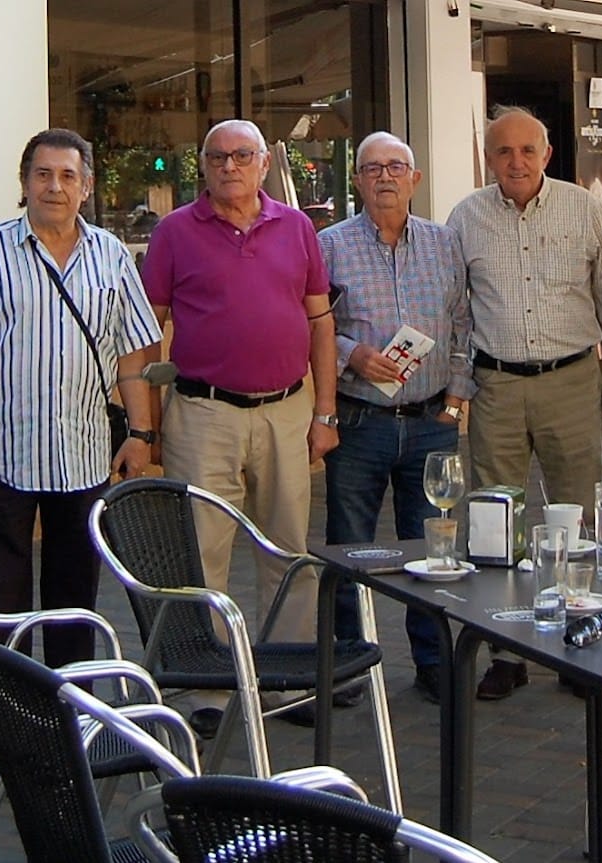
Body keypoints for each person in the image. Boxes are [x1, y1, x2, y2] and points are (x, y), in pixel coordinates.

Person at [0, 129, 159, 687]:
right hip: (2, 457)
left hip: (82, 460)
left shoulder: (110, 256)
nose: (54, 187)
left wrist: (141, 433)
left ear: (86, 187)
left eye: (67, 176)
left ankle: (71, 717)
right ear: (24, 182)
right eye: (42, 174)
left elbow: (135, 352)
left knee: (73, 605)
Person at [141, 119, 338, 737]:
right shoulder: (174, 232)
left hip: (286, 409)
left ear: (262, 163)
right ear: (203, 165)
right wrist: (146, 424)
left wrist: (324, 412)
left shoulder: (298, 227)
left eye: (243, 155)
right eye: (218, 156)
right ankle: (206, 688)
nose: (230, 166)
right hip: (204, 412)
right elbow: (153, 327)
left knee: (287, 549)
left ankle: (288, 679)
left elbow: (321, 324)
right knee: (203, 556)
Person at [446, 106, 602, 701]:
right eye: (502, 152)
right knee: (496, 520)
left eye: (527, 150)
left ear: (546, 154)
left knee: (577, 517)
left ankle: (581, 644)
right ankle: (506, 651)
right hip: (496, 387)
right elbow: (457, 312)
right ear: (486, 159)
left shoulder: (585, 209)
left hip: (570, 380)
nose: (515, 162)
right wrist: (459, 389)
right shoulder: (465, 217)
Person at [318, 131, 471, 707]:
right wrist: (353, 352)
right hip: (360, 421)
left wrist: (456, 400)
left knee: (433, 548)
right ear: (357, 180)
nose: (384, 176)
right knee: (350, 548)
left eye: (396, 167)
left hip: (432, 421)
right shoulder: (328, 245)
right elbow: (313, 325)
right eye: (372, 167)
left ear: (415, 179)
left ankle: (432, 663)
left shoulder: (445, 243)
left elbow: (462, 323)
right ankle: (349, 664)